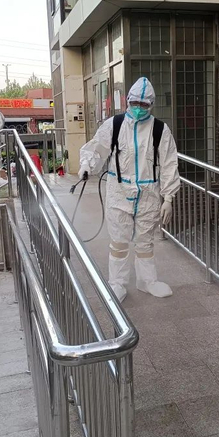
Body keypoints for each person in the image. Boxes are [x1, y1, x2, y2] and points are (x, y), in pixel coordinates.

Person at [79, 77, 180, 303]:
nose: (139, 108)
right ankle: (117, 283)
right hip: (119, 192)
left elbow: (169, 163)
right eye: (135, 103)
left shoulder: (160, 130)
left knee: (145, 241)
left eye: (144, 104)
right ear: (128, 101)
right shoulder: (114, 125)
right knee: (119, 241)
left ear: (151, 104)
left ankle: (147, 281)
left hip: (148, 194)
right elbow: (97, 149)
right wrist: (86, 165)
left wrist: (168, 197)